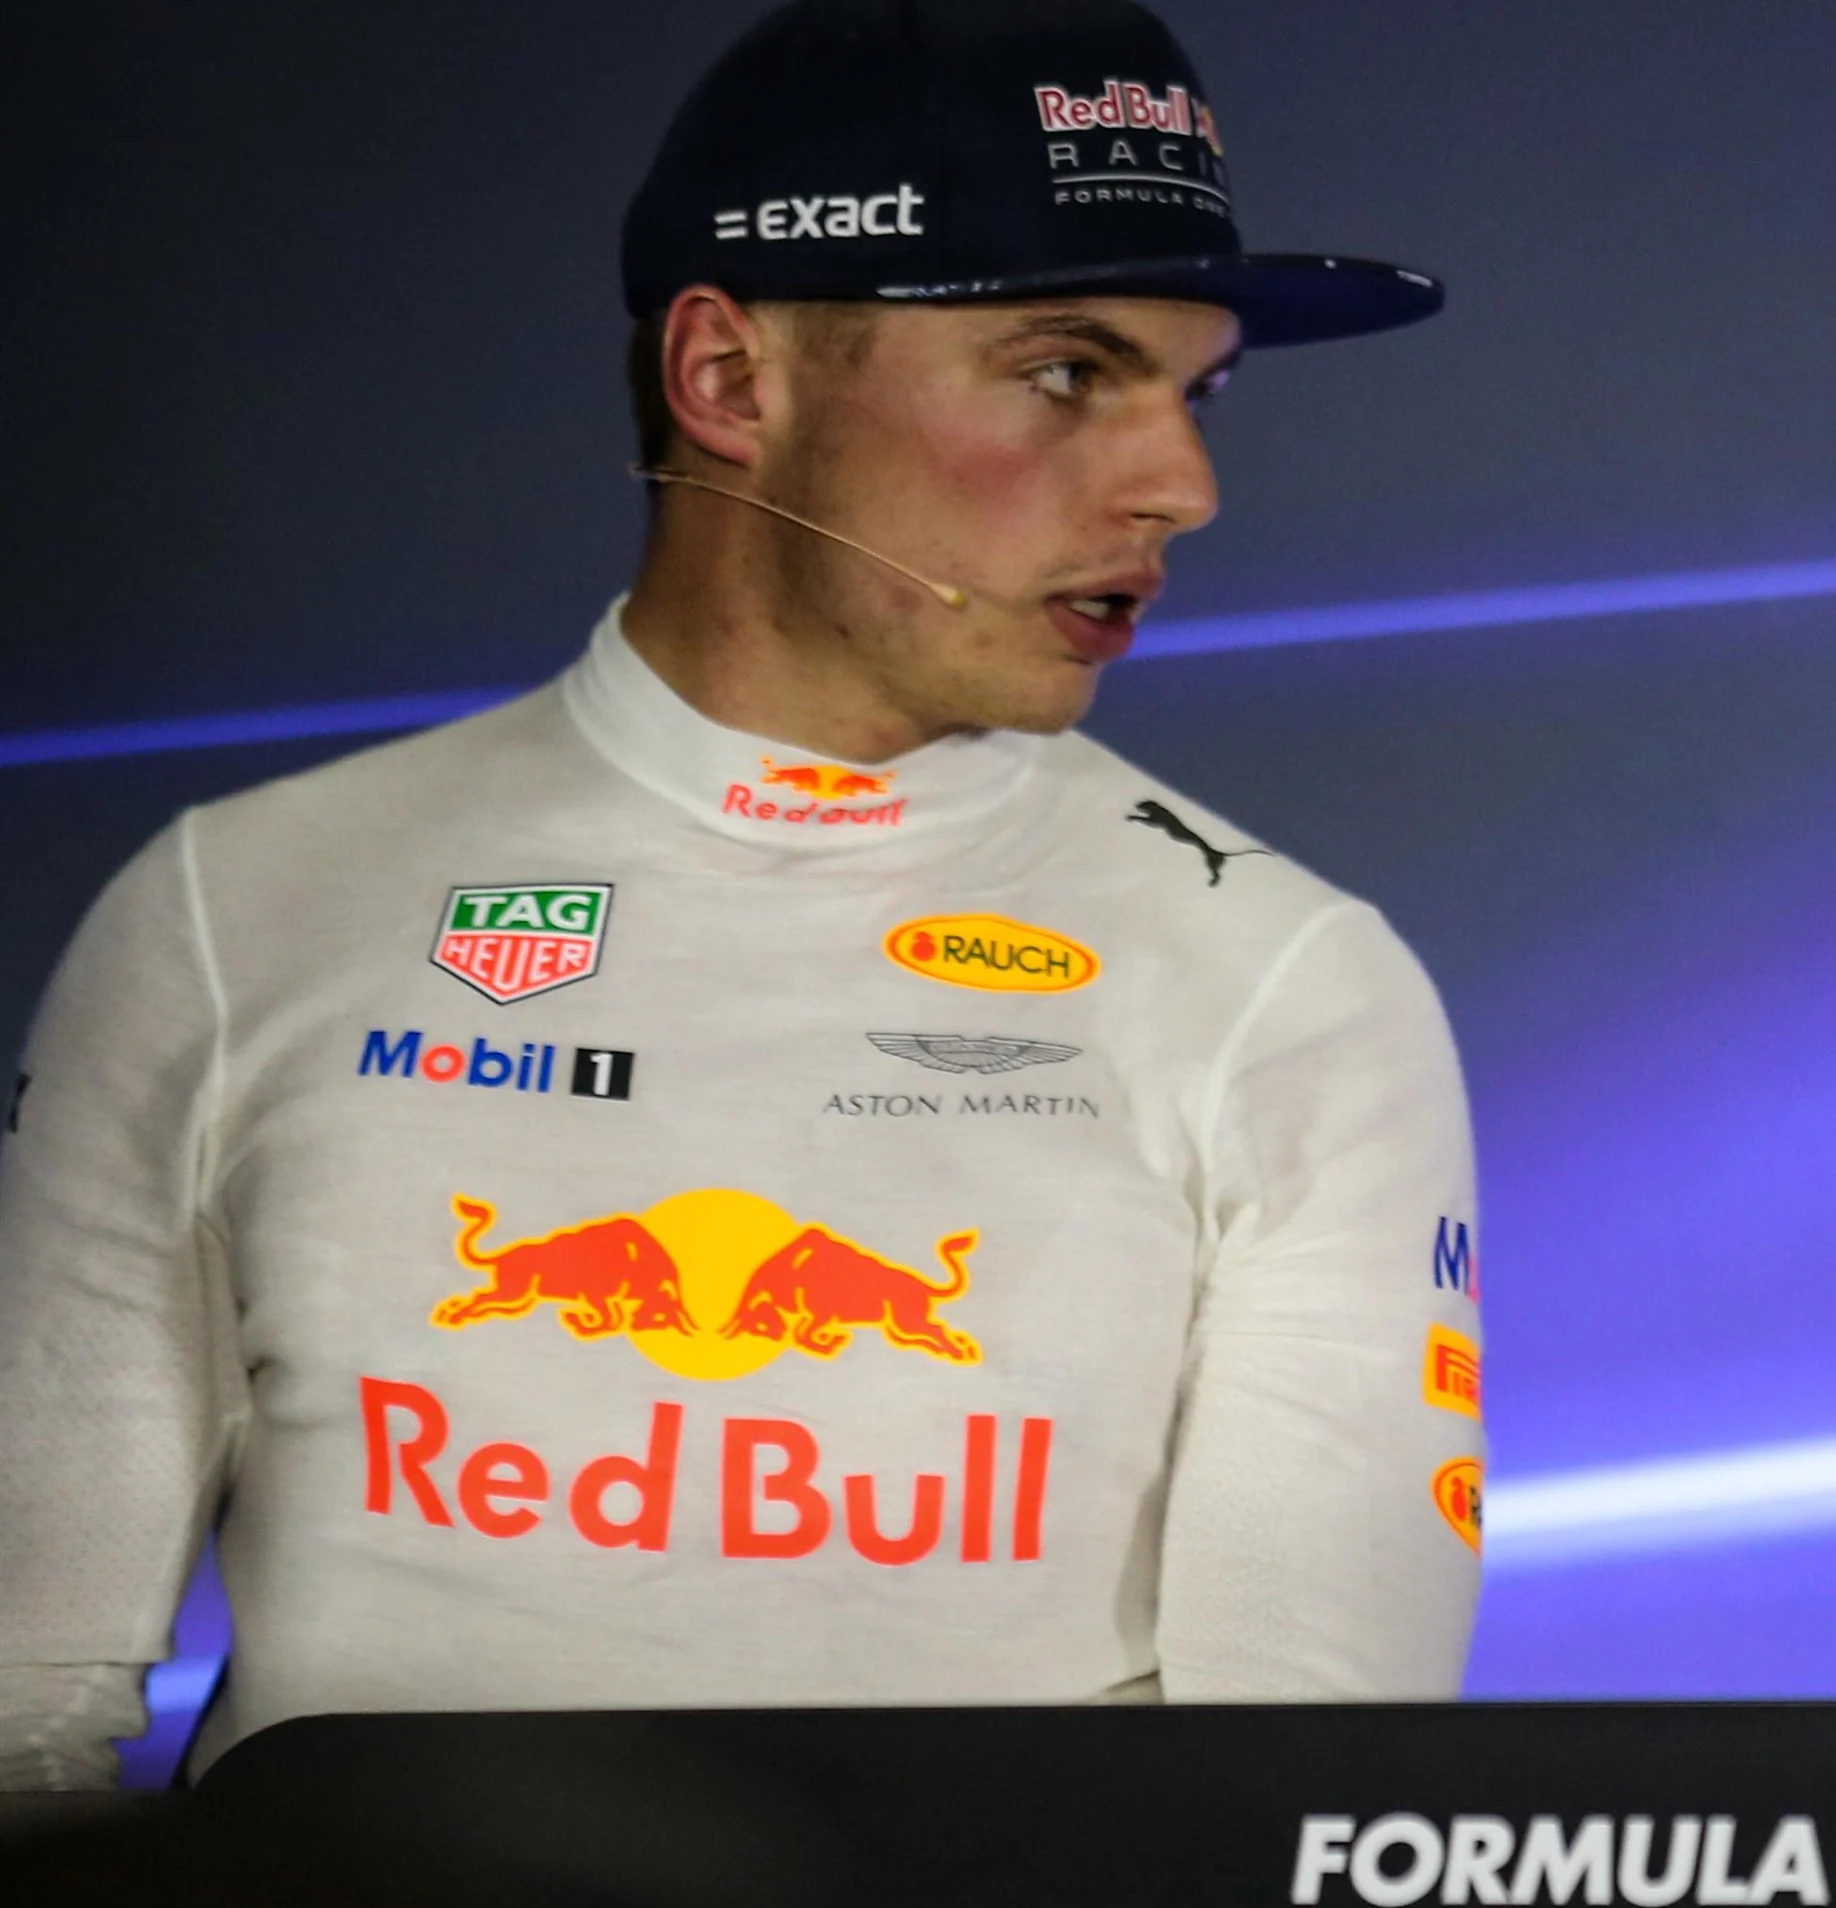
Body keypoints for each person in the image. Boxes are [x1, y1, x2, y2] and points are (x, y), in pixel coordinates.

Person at [0, 0, 1486, 1790]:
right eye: (1067, 371)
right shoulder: (235, 911)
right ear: (729, 381)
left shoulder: (1295, 981)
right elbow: (19, 1723)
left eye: (1198, 389)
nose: (1183, 484)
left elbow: (1299, 1811)